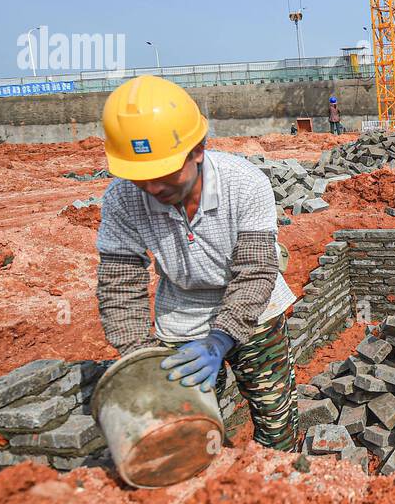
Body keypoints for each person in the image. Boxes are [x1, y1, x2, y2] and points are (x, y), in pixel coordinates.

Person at [95, 75, 302, 451]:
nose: (154, 188)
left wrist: (221, 339)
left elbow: (255, 270)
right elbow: (120, 285)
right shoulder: (123, 199)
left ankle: (282, 483)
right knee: (192, 429)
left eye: (166, 173)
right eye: (142, 177)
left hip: (256, 310)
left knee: (276, 417)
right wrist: (141, 358)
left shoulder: (244, 184)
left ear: (198, 150)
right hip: (183, 315)